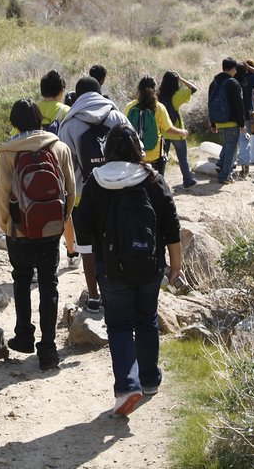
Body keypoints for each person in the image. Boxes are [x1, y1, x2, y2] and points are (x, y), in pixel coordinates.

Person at [75, 125, 182, 416]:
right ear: (138, 148)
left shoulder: (96, 182)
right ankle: (149, 380)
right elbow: (172, 225)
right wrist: (176, 265)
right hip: (149, 266)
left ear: (107, 150)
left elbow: (83, 233)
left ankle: (127, 385)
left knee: (120, 326)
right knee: (147, 320)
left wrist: (91, 281)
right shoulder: (152, 179)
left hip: (111, 269)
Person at [0, 99, 76, 370]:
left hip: (19, 228)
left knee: (22, 281)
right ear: (40, 118)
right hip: (51, 229)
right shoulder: (58, 146)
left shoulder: (7, 152)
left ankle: (24, 336)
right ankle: (49, 348)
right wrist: (62, 219)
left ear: (14, 122)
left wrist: (5, 224)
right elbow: (71, 189)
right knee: (49, 284)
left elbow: (3, 194)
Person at [59, 76, 131, 311]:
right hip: (118, 191)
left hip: (84, 195)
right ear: (100, 92)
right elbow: (135, 150)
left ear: (77, 95)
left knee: (88, 248)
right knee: (118, 240)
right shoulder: (118, 116)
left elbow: (65, 165)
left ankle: (94, 296)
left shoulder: (69, 124)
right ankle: (120, 288)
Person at [36, 70, 79, 268]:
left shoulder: (33, 108)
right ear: (62, 91)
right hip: (58, 166)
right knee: (64, 211)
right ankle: (71, 253)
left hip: (33, 167)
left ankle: (37, 261)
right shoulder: (65, 111)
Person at [125, 76, 187, 176]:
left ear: (139, 89)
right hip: (154, 156)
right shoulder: (159, 107)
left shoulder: (130, 106)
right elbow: (169, 129)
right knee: (156, 187)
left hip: (135, 155)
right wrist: (182, 132)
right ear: (154, 90)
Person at [207, 58, 246, 185]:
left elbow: (210, 104)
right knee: (232, 148)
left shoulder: (214, 82)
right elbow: (238, 105)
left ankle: (220, 165)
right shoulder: (233, 83)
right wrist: (242, 123)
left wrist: (213, 123)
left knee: (228, 144)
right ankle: (225, 176)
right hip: (231, 122)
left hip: (219, 121)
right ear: (233, 69)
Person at [158, 71, 198, 188]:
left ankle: (159, 183)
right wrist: (181, 79)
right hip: (177, 132)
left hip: (163, 132)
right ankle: (188, 181)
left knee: (161, 159)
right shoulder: (177, 95)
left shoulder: (157, 95)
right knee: (182, 159)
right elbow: (194, 89)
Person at [237, 60, 254, 179]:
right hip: (247, 115)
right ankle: (244, 165)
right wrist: (249, 67)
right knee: (245, 140)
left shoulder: (231, 82)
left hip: (232, 115)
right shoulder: (247, 82)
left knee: (235, 141)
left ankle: (232, 165)